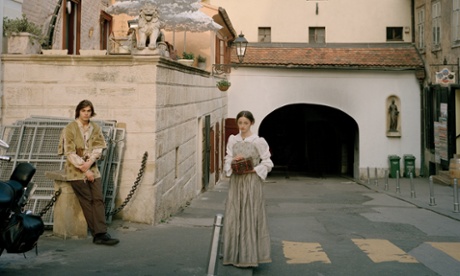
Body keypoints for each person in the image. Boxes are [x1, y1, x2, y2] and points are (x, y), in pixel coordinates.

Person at [58, 100, 119, 246]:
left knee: (98, 199)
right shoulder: (70, 128)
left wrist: (89, 164)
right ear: (78, 111)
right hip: (75, 170)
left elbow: (99, 148)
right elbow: (70, 152)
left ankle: (101, 232)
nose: (86, 113)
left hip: (92, 167)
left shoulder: (95, 128)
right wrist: (84, 169)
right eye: (83, 110)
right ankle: (98, 234)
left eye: (89, 111)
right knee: (88, 201)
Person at [223, 110, 274, 267]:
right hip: (237, 183)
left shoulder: (258, 141)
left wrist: (254, 169)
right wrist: (233, 161)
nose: (242, 126)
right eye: (240, 123)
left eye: (245, 123)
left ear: (251, 123)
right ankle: (233, 255)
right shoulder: (233, 140)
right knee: (235, 214)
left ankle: (250, 255)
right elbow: (227, 158)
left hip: (252, 182)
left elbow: (268, 162)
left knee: (251, 215)